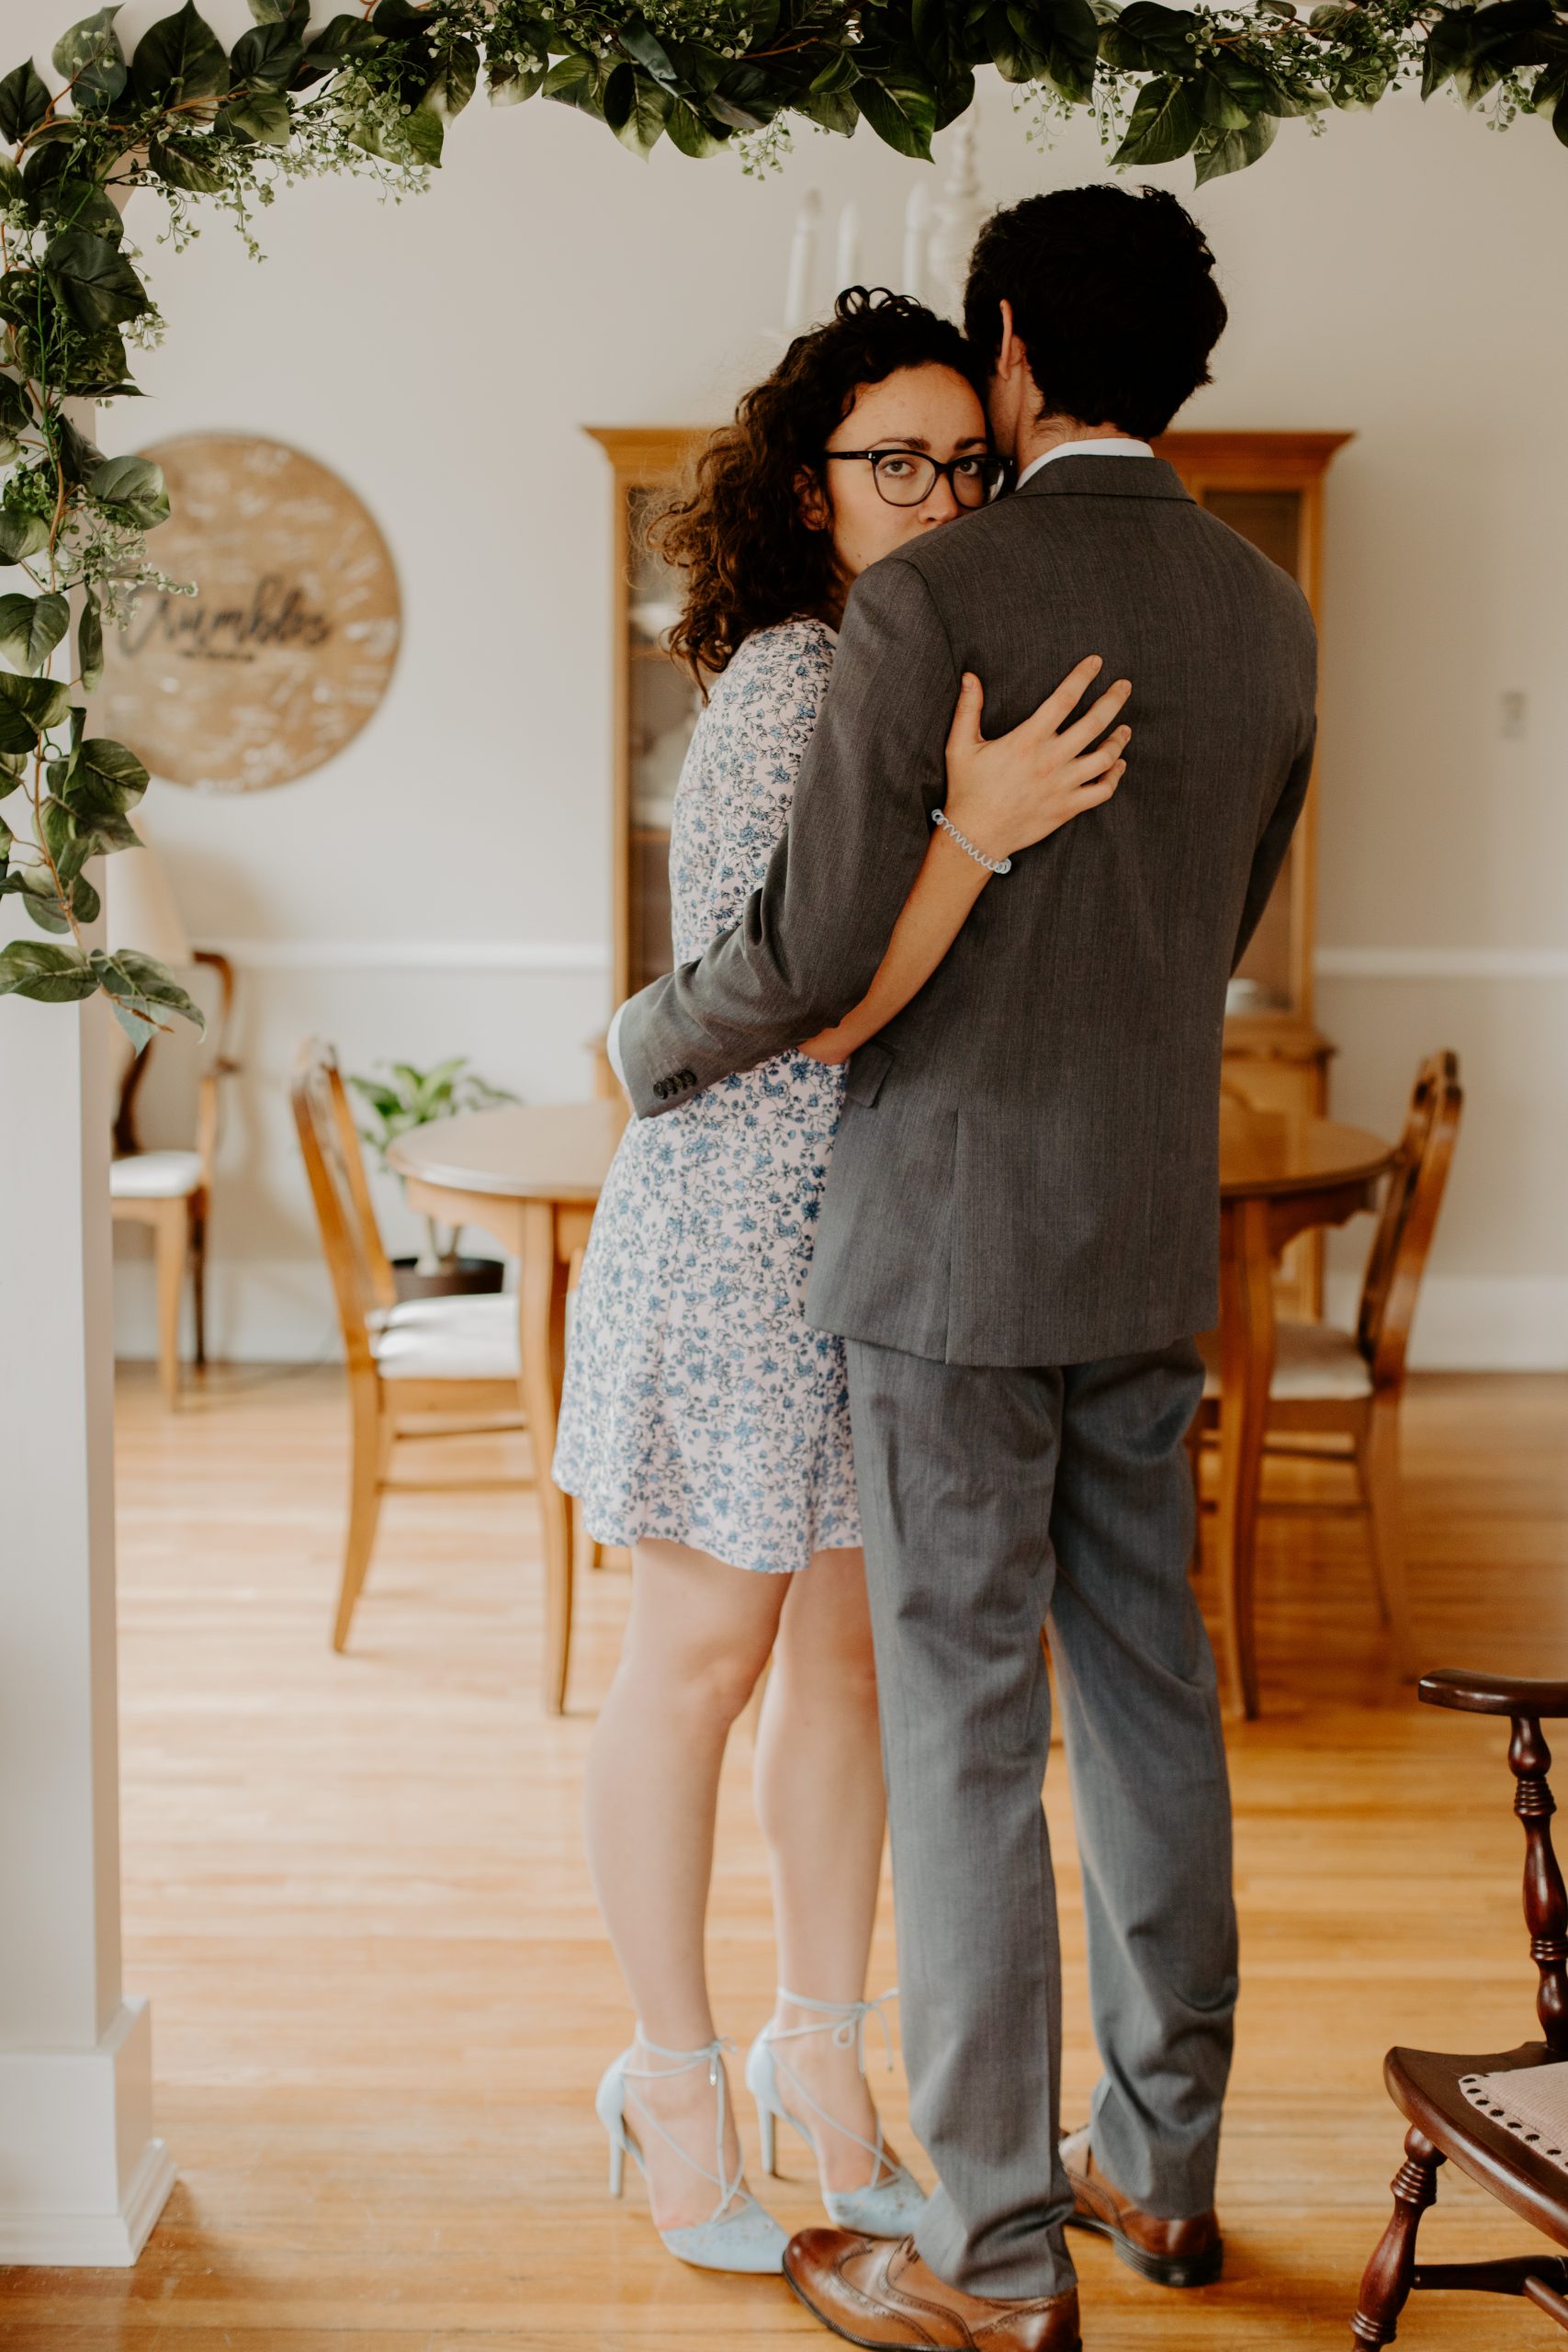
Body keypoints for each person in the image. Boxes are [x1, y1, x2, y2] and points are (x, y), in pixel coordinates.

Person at [612, 187, 1319, 2351]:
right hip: (1138, 1223)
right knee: (1149, 1696)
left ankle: (1002, 2253)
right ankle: (1166, 2172)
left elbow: (813, 964)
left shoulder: (942, 599)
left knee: (958, 1732)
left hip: (934, 1249)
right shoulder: (1263, 610)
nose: (931, 478)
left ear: (1012, 348)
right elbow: (1209, 928)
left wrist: (639, 1040)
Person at [554, 288, 1131, 2278]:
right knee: (698, 1660)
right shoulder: (797, 676)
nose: (941, 492)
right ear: (810, 487)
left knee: (846, 1668)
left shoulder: (930, 652)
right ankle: (673, 2073)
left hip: (866, 1231)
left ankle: (827, 2074)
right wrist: (970, 839)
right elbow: (795, 1007)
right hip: (733, 1224)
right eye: (896, 460)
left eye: (969, 462)